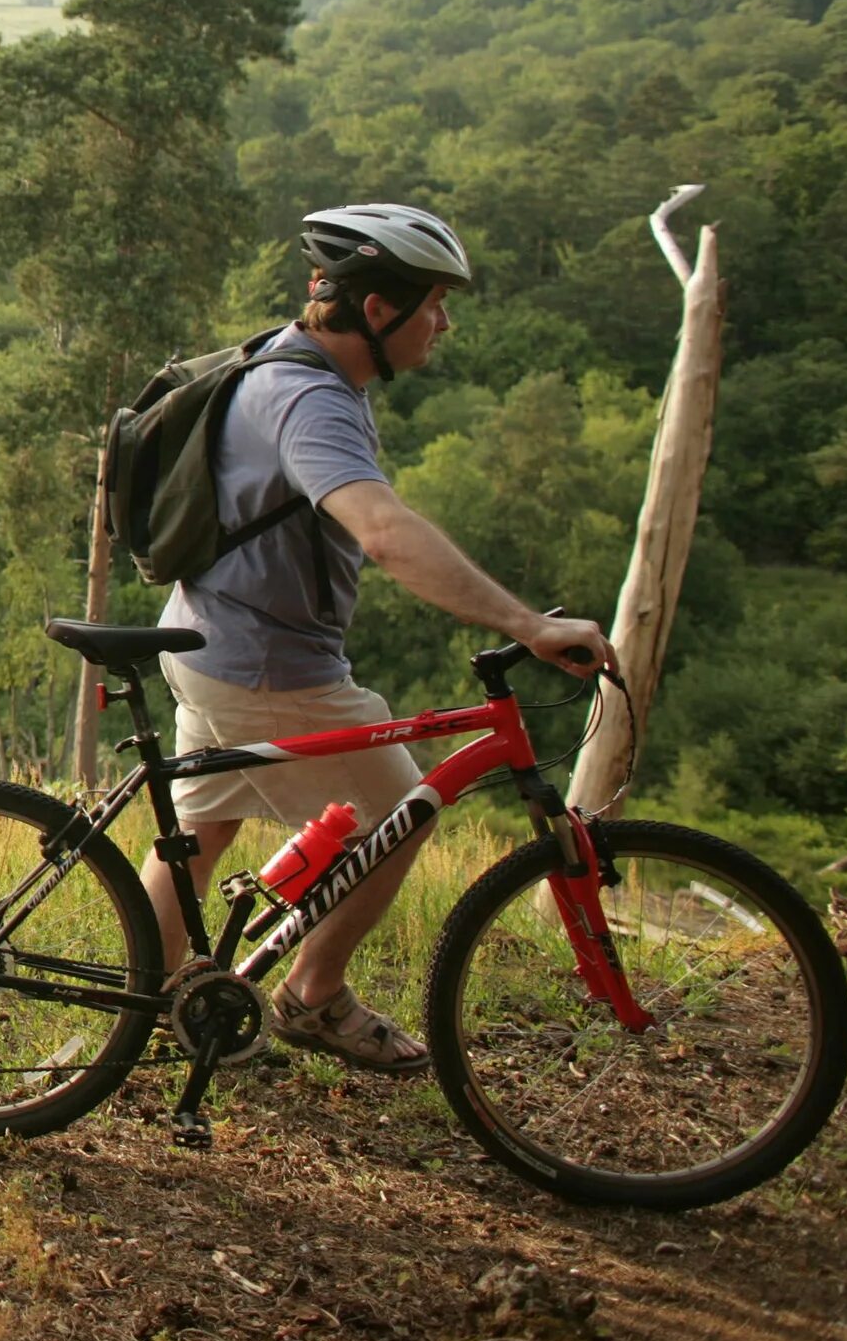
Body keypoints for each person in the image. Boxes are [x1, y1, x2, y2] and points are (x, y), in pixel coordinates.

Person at [148, 202, 614, 1072]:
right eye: (433, 302)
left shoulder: (282, 363)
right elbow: (387, 534)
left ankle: (151, 1003)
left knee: (197, 835)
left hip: (204, 640)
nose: (444, 322)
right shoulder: (310, 398)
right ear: (376, 309)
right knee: (394, 815)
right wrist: (525, 623)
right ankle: (312, 999)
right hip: (265, 666)